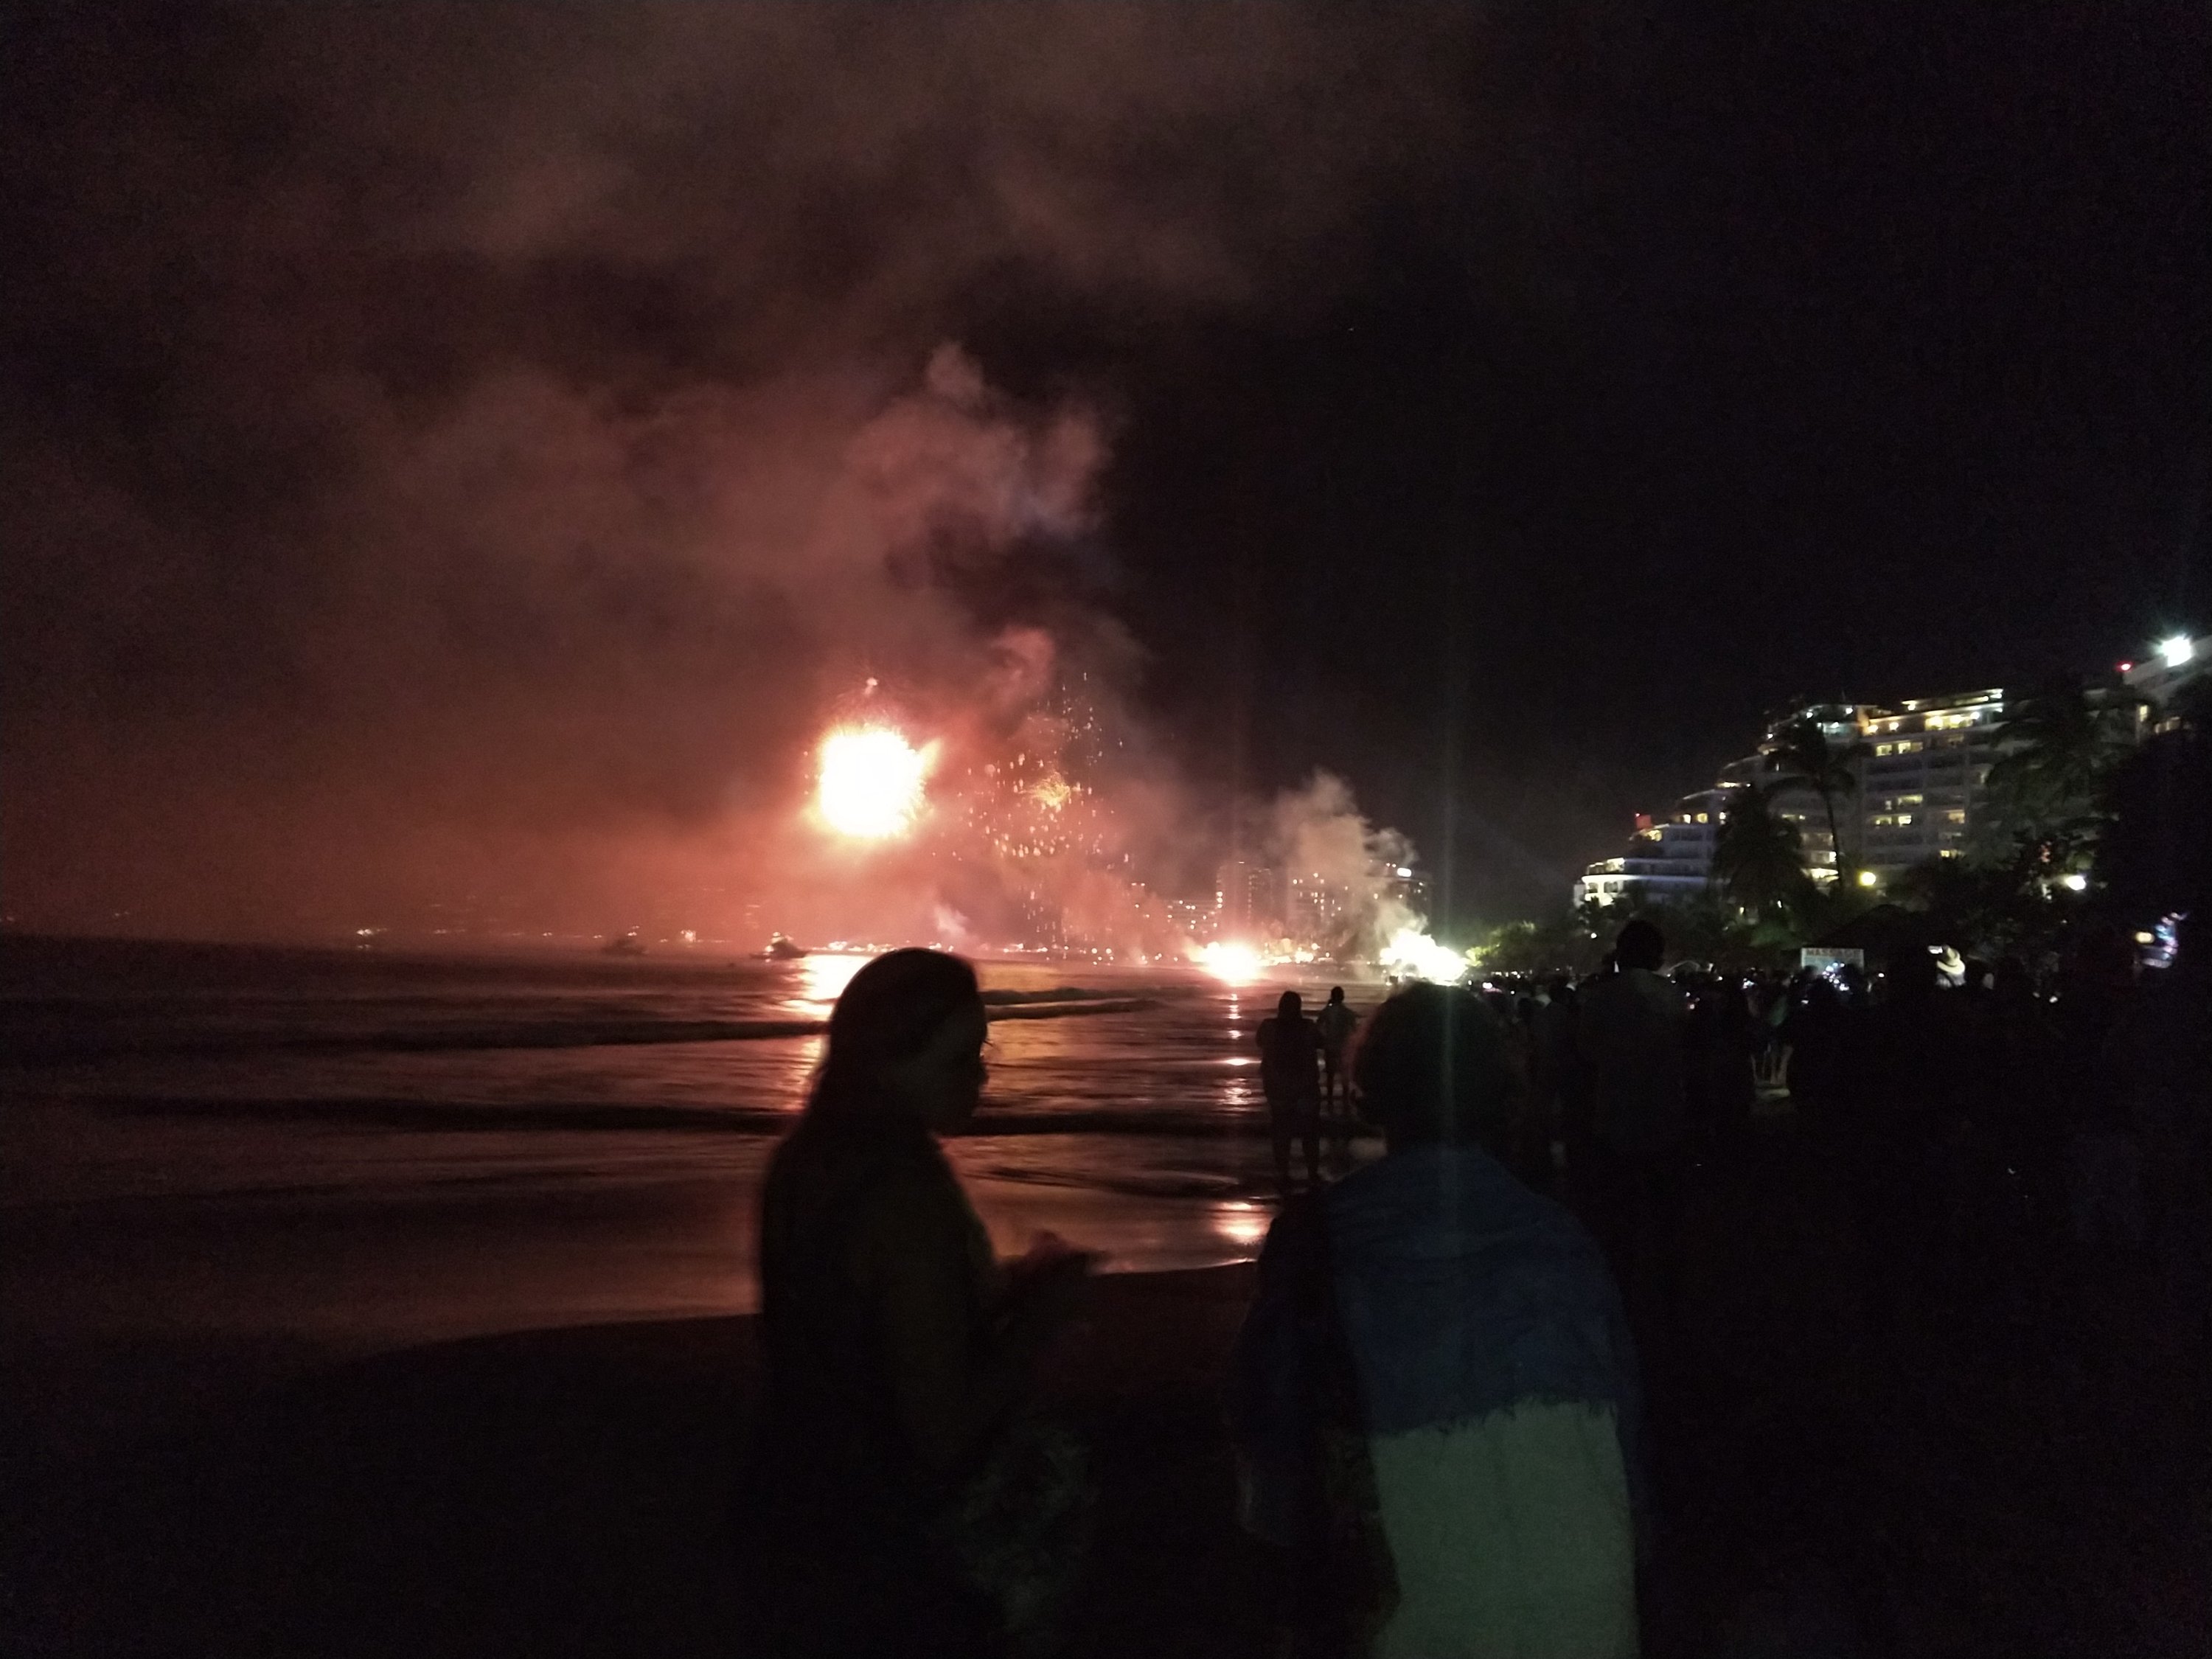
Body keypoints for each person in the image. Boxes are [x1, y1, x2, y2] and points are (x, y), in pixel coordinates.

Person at [1228, 984, 1646, 1658]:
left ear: (1372, 1090)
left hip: (1414, 1606)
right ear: (1497, 1093)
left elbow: (1270, 1447)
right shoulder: (1564, 1241)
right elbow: (1626, 1443)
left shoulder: (1317, 1242)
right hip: (1588, 1604)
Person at [741, 948, 1095, 1657]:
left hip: (796, 1502)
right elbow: (940, 1432)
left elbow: (855, 1324)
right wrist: (1038, 1323)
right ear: (890, 1064)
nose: (982, 1077)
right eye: (960, 1060)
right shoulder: (906, 1197)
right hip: (896, 1548)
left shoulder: (804, 1161)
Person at [1572, 919, 1688, 1366]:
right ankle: (1669, 1307)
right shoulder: (1672, 998)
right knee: (1665, 1223)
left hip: (1615, 1120)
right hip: (1665, 1120)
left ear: (1620, 954)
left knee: (1617, 1224)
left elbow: (1587, 1054)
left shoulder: (1602, 999)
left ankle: (1618, 1303)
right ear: (1658, 957)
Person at [1259, 989, 1324, 1192]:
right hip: (1305, 1087)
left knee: (1281, 1132)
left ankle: (1283, 1173)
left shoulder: (1269, 1028)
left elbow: (1259, 1042)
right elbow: (1322, 1042)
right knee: (1310, 1133)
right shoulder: (1308, 1028)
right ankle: (1312, 1173)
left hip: (1278, 1088)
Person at [1314, 987, 1360, 1144]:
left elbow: (1318, 1026)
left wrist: (1323, 1038)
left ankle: (1330, 1100)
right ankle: (1345, 1100)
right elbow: (1354, 1030)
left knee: (1330, 1075)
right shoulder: (1347, 1012)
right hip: (1343, 1046)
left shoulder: (1327, 1011)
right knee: (1344, 1075)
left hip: (1330, 1045)